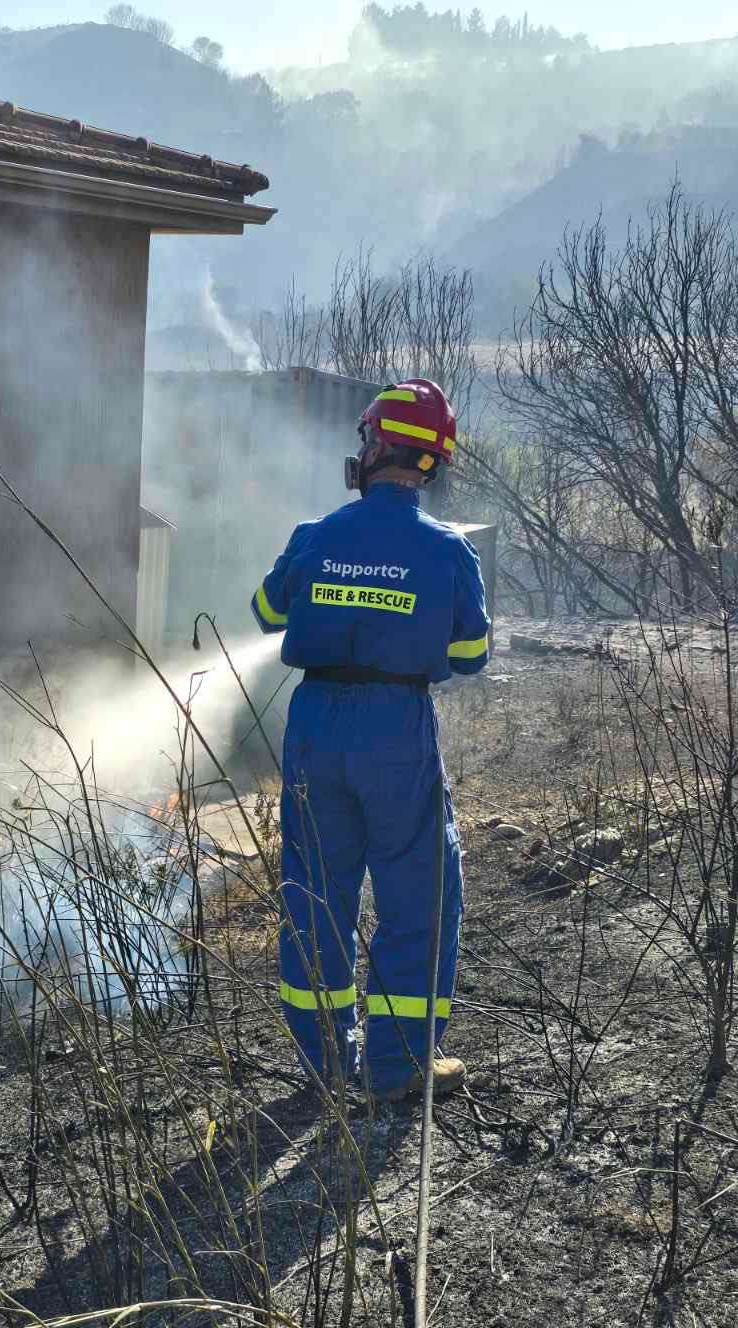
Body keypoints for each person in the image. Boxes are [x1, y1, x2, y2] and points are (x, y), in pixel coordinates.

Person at [250, 379, 489, 1103]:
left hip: (315, 724)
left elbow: (265, 612)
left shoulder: (315, 534)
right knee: (418, 894)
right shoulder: (447, 550)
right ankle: (397, 1069)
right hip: (396, 729)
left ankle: (323, 1068)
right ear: (432, 464)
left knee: (317, 892)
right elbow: (473, 653)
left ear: (374, 445)